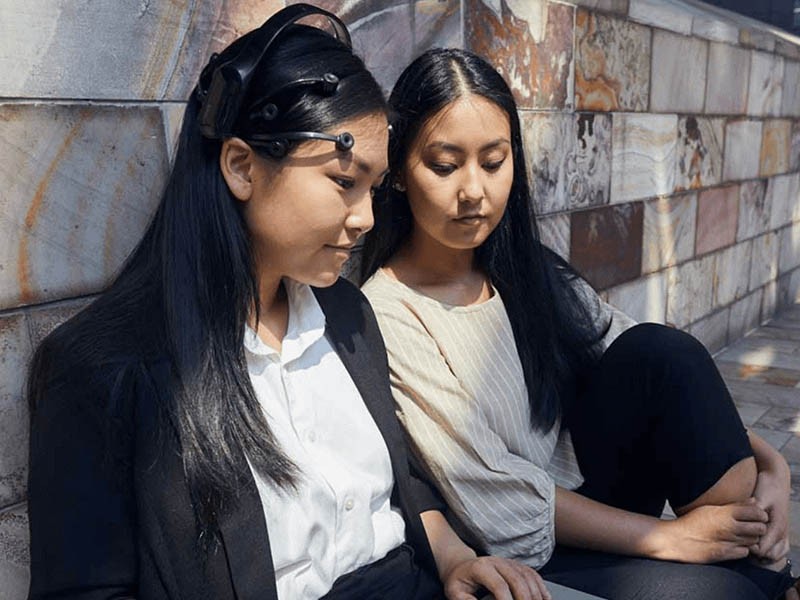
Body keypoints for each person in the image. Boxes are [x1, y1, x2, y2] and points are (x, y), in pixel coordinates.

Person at [25, 10, 553, 600]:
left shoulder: (349, 317)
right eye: (344, 181)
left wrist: (456, 561)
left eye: (374, 189)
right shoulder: (104, 372)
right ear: (242, 166)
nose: (367, 219)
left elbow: (400, 479)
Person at [359, 47, 797, 600]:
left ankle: (749, 561)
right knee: (734, 589)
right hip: (519, 545)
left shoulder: (526, 269)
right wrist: (670, 538)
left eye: (493, 162)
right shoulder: (389, 311)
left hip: (592, 492)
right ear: (398, 172)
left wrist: (773, 465)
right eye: (445, 166)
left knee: (663, 352)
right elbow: (501, 494)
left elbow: (631, 355)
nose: (473, 190)